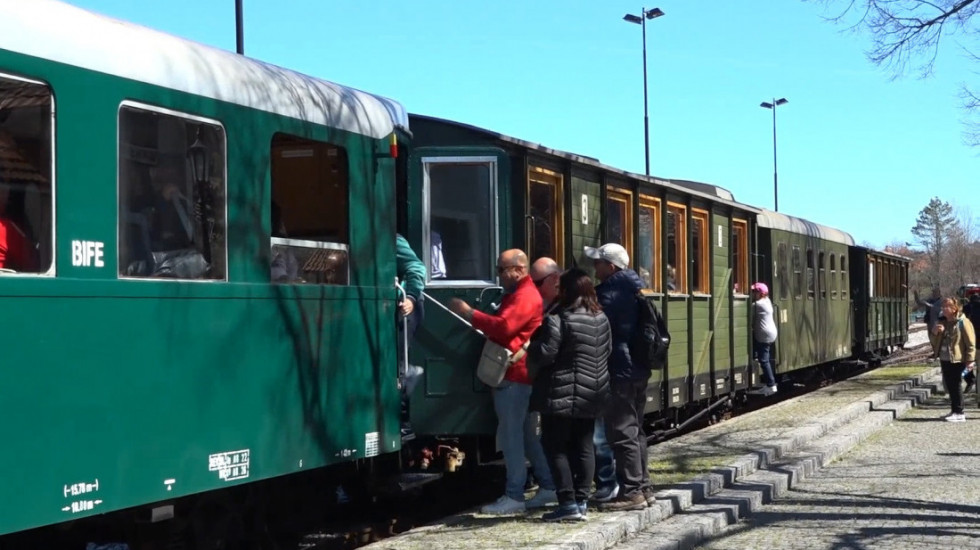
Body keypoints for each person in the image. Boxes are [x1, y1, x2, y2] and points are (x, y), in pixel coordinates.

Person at [449, 249, 557, 514]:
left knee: (511, 436)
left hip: (513, 375)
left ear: (518, 269)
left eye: (501, 270)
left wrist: (469, 313)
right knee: (528, 436)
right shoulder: (528, 294)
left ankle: (515, 496)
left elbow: (504, 328)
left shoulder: (523, 295)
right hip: (522, 374)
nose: (499, 276)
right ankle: (548, 487)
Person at [527, 267, 612, 522]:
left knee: (555, 447)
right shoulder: (601, 318)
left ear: (566, 291)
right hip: (594, 392)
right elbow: (606, 352)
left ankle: (567, 503)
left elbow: (545, 354)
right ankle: (582, 500)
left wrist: (534, 342)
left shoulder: (559, 319)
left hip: (561, 392)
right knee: (584, 446)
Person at [585, 243, 651, 512]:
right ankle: (644, 487)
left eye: (598, 263)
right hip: (637, 367)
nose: (594, 268)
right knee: (637, 431)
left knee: (622, 432)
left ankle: (631, 491)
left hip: (620, 369)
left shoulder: (610, 295)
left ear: (610, 267)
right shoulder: (634, 288)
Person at [396, 233, 426, 439]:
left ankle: (404, 419)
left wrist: (412, 298)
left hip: (406, 307)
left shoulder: (393, 240)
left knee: (398, 363)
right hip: (398, 308)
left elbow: (417, 268)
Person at [930, 297, 976, 422]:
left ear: (955, 308)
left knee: (956, 385)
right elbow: (935, 343)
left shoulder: (963, 322)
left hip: (958, 358)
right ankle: (954, 410)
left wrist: (970, 360)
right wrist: (935, 333)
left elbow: (971, 343)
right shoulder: (943, 322)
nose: (944, 309)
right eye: (943, 307)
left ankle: (959, 412)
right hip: (945, 358)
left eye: (947, 307)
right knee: (950, 385)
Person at [749, 282, 778, 396]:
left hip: (764, 334)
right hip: (771, 332)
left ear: (760, 294)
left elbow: (750, 319)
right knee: (763, 356)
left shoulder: (756, 305)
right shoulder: (767, 301)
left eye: (754, 292)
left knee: (764, 360)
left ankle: (771, 385)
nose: (752, 294)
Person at [962, 293, 980, 393]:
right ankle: (978, 392)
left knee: (966, 365)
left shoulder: (966, 308)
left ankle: (970, 380)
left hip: (969, 344)